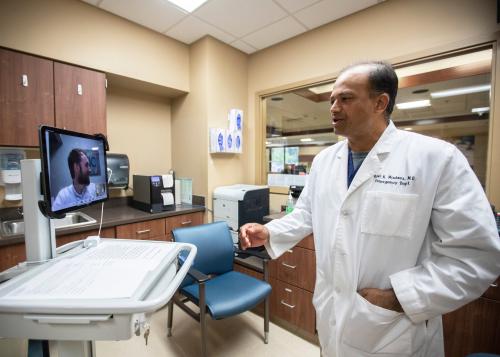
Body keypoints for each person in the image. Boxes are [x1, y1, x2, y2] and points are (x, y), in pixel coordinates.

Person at [240, 61, 500, 357]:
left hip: (393, 330)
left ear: (380, 102)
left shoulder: (435, 159)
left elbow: (476, 257)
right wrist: (269, 231)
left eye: (346, 99)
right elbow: (307, 214)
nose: (334, 108)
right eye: (332, 100)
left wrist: (400, 298)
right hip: (332, 316)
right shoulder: (325, 161)